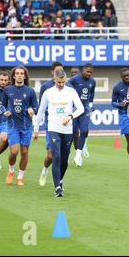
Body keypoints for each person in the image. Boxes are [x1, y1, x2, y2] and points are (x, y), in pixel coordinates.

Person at [33, 69, 84, 197]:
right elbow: (40, 111)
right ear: (54, 79)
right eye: (59, 82)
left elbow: (81, 108)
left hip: (67, 130)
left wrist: (70, 116)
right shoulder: (48, 93)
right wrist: (36, 130)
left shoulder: (71, 91)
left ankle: (60, 180)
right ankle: (57, 188)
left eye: (63, 82)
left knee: (64, 160)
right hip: (53, 128)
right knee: (56, 156)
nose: (61, 84)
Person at [2, 66, 38, 186]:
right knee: (14, 151)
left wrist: (32, 110)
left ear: (25, 76)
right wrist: (5, 111)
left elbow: (36, 107)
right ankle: (11, 171)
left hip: (26, 126)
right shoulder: (7, 90)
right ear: (13, 76)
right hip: (12, 125)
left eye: (21, 73)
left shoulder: (30, 91)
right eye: (17, 73)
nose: (19, 75)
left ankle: (20, 177)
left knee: (24, 152)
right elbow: (3, 105)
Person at [37, 62, 69, 186]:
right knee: (51, 156)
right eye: (57, 71)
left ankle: (59, 182)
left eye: (61, 71)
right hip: (51, 124)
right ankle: (45, 170)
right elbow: (42, 106)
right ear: (52, 73)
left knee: (62, 157)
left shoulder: (69, 87)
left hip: (66, 126)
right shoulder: (45, 87)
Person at [68, 63, 96, 167]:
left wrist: (91, 105)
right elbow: (65, 88)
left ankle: (78, 155)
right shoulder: (74, 79)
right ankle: (66, 155)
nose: (89, 74)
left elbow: (92, 94)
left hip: (84, 110)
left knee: (84, 131)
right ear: (83, 70)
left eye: (90, 72)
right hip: (74, 110)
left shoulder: (92, 82)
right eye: (87, 71)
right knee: (72, 134)